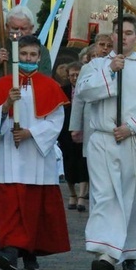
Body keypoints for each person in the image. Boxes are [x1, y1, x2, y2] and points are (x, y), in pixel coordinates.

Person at [75, 15, 136, 270]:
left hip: (134, 141)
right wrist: (110, 71)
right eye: (119, 33)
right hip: (103, 139)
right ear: (111, 37)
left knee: (132, 197)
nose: (123, 37)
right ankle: (106, 252)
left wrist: (132, 127)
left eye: (128, 33)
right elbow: (84, 92)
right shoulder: (95, 66)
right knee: (105, 196)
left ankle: (129, 251)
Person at [0, 35, 70, 270]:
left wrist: (30, 133)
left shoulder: (50, 85)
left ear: (40, 57)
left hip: (36, 158)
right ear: (16, 56)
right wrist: (5, 105)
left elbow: (56, 121)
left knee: (35, 208)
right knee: (11, 205)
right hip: (10, 158)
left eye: (33, 55)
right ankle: (11, 250)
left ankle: (27, 251)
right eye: (24, 54)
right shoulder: (4, 84)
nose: (28, 58)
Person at [0, 4, 51, 94]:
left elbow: (46, 84)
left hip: (31, 104)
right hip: (0, 105)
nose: (19, 32)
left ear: (31, 29)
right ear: (7, 27)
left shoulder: (41, 51)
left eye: (23, 29)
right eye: (15, 28)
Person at [58, 61, 90, 212]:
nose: (75, 78)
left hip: (85, 130)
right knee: (69, 161)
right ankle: (72, 193)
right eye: (72, 75)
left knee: (83, 162)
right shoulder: (62, 91)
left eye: (78, 75)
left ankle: (82, 195)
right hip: (65, 131)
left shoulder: (88, 89)